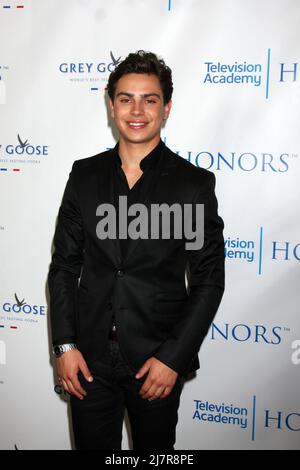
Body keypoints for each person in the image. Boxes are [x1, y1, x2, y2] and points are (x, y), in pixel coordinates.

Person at [48, 50, 225, 450]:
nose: (137, 110)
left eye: (150, 99)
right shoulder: (84, 175)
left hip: (156, 363)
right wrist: (64, 346)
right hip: (87, 362)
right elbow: (63, 266)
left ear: (166, 108)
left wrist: (173, 359)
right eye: (126, 98)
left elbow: (208, 280)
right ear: (111, 106)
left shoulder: (191, 185)